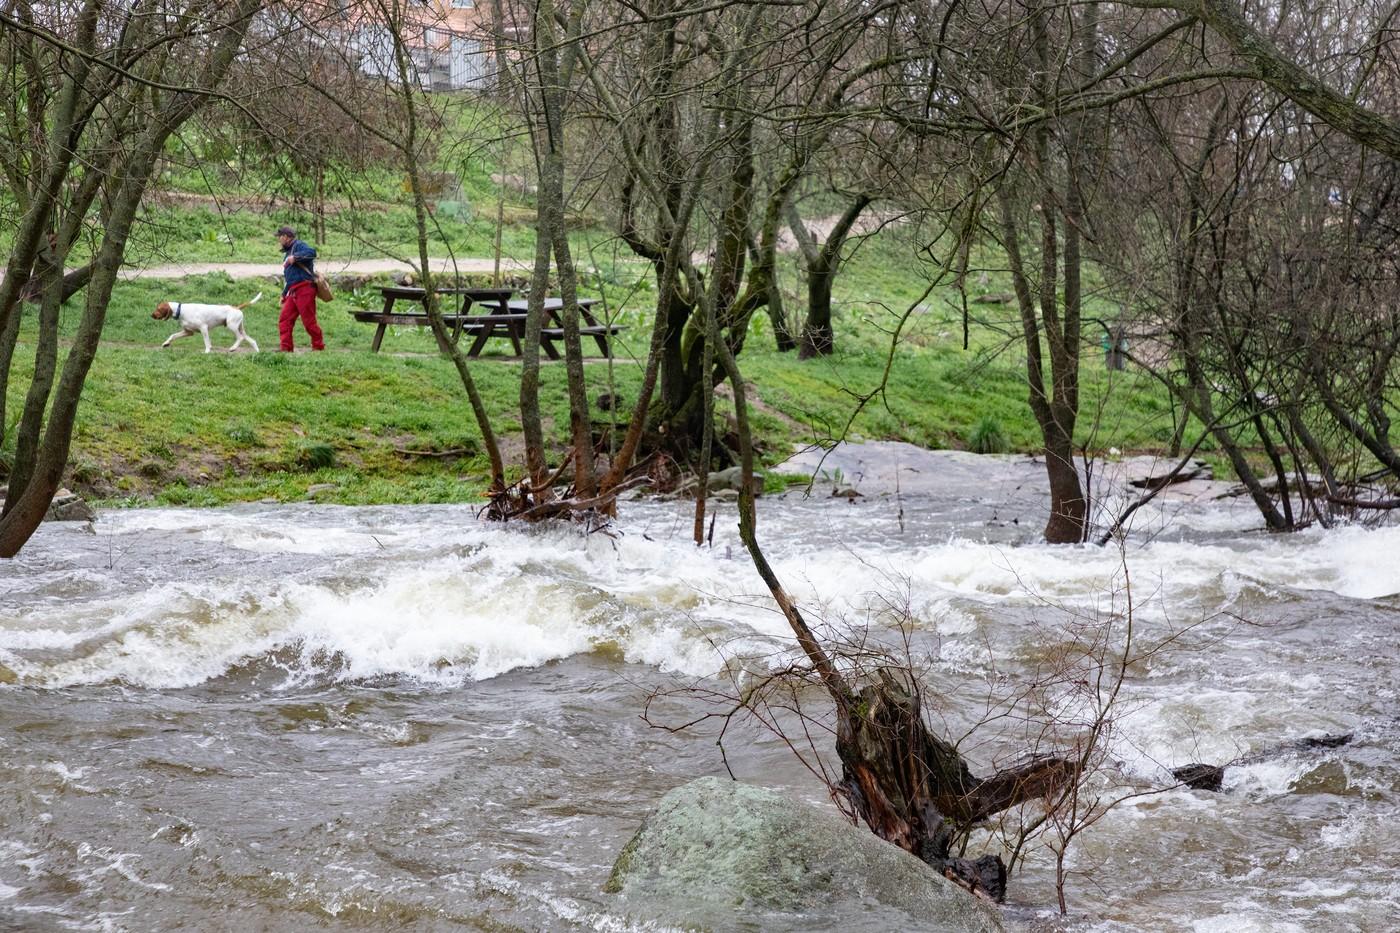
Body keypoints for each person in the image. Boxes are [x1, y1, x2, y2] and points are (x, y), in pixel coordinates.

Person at [276, 225, 325, 352]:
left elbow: (312, 253)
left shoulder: (299, 245)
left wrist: (295, 257)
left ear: (286, 237)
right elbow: (291, 277)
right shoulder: (287, 252)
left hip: (305, 289)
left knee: (309, 322)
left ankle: (318, 347)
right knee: (285, 320)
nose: (279, 240)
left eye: (280, 237)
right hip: (292, 291)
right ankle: (286, 349)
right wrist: (284, 293)